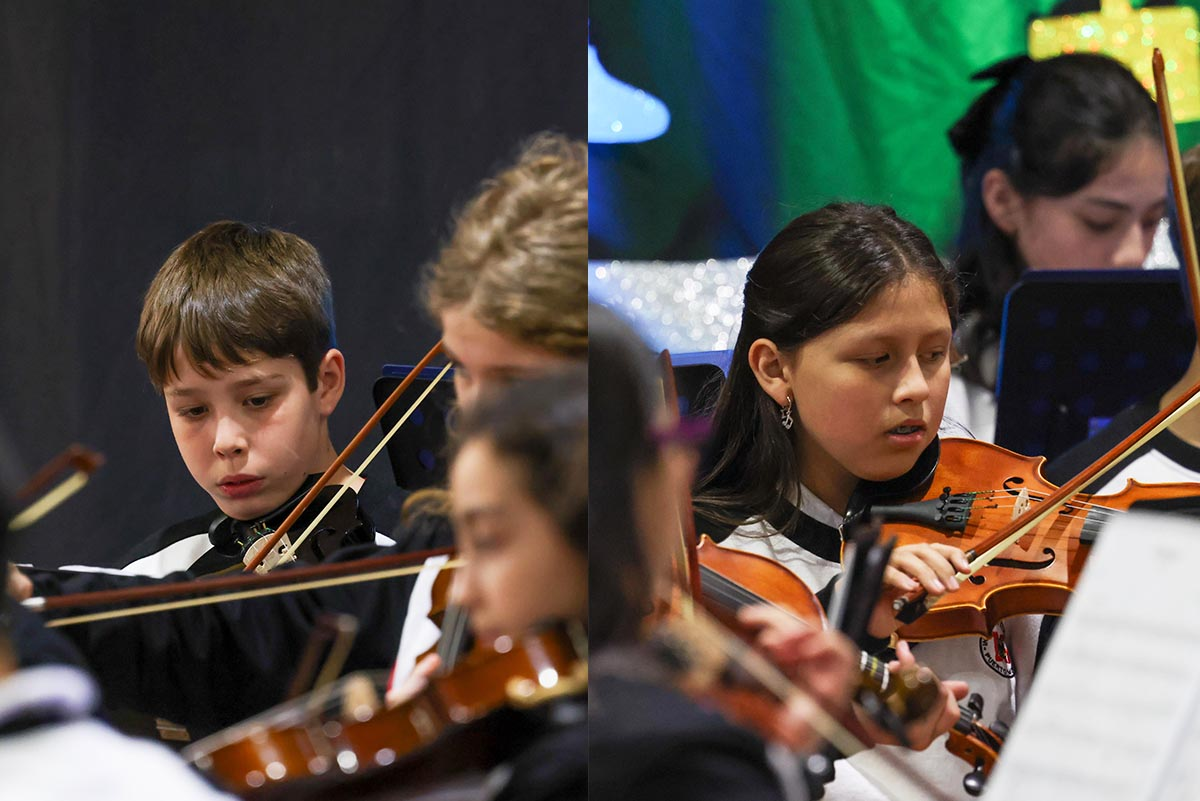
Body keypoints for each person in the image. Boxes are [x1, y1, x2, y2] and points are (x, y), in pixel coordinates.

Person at [7, 132, 588, 740]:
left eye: (515, 380)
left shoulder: (413, 538)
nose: (476, 416)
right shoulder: (435, 551)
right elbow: (239, 627)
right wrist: (33, 592)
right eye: (466, 373)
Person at [692, 202, 1019, 800]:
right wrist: (853, 626)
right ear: (774, 369)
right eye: (876, 359)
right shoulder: (729, 570)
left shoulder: (992, 515)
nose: (917, 389)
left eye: (935, 354)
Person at [947, 52, 1167, 441]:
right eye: (1099, 221)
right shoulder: (937, 363)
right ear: (1003, 200)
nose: (1135, 253)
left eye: (1153, 220)